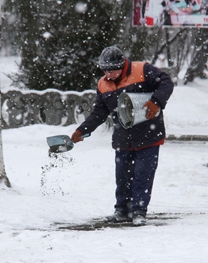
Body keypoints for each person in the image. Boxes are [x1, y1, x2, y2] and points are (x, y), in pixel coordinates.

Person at [70, 46, 174, 226]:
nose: (108, 74)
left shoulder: (142, 70)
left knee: (143, 175)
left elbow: (166, 82)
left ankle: (139, 211)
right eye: (104, 70)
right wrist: (82, 130)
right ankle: (122, 211)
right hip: (123, 138)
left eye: (111, 70)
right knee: (122, 176)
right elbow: (99, 113)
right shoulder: (103, 84)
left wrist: (156, 102)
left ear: (122, 65)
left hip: (148, 135)